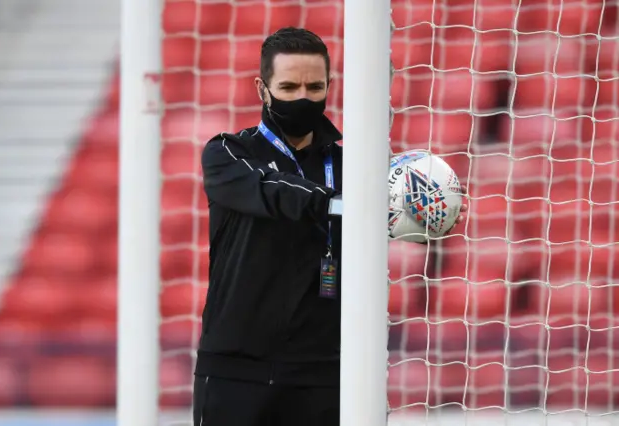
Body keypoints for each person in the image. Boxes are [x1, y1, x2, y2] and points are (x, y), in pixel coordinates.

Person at [193, 27, 466, 426]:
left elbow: (391, 222)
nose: (302, 97)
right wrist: (341, 202)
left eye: (314, 86)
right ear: (262, 88)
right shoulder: (228, 153)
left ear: (329, 86)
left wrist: (431, 217)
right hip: (235, 372)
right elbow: (271, 191)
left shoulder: (356, 167)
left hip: (325, 376)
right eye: (288, 86)